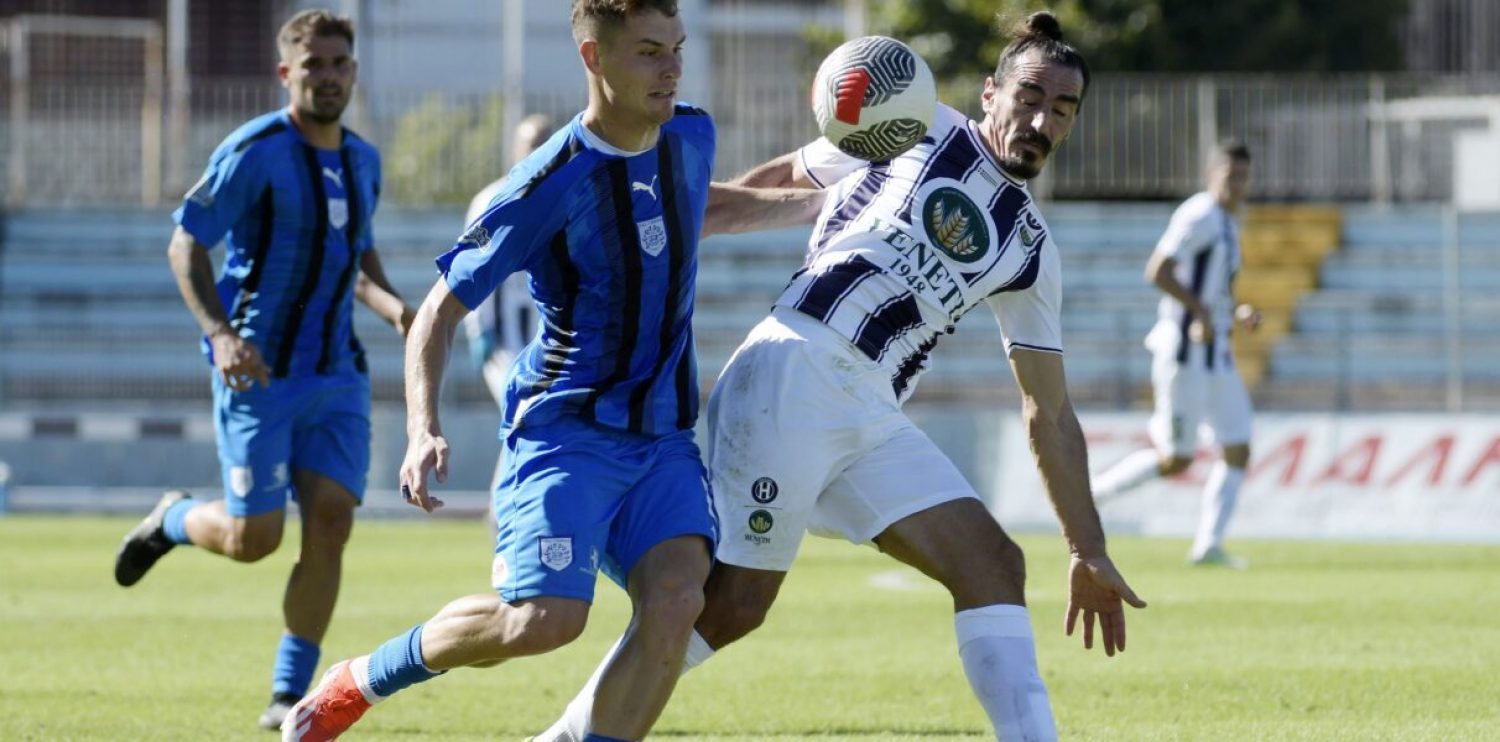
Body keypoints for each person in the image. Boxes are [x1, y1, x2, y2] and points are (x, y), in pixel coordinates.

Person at [538, 12, 1145, 742]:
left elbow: (1047, 409)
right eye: (1030, 97)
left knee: (991, 563)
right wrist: (648, 234)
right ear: (991, 93)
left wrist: (1086, 549)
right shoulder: (915, 121)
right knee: (731, 604)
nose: (1042, 121)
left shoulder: (1031, 250)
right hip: (796, 369)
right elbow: (763, 190)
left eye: (1063, 109)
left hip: (871, 414)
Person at [281, 2, 820, 740]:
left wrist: (824, 206)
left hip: (663, 439)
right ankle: (360, 680)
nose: (672, 68)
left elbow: (699, 205)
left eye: (677, 47)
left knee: (677, 602)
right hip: (566, 434)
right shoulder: (546, 183)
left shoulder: (689, 134)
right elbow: (437, 311)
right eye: (650, 52)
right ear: (594, 58)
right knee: (541, 622)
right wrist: (422, 427)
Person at [111, 8, 415, 732]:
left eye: (339, 65)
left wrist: (398, 310)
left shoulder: (364, 161)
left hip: (336, 373)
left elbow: (355, 255)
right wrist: (220, 335)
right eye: (314, 66)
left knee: (332, 522)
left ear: (354, 72)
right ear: (286, 73)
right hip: (259, 374)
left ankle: (288, 695)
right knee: (256, 541)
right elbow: (186, 245)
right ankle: (175, 517)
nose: (328, 77)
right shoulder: (254, 151)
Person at [1090, 138, 1259, 568]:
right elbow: (1158, 271)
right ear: (1211, 174)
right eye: (1230, 175)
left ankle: (1208, 545)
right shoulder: (1199, 214)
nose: (1237, 185)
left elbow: (1215, 291)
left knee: (1238, 447)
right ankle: (1092, 497)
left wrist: (1237, 312)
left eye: (1243, 177)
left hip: (1217, 355)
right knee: (1177, 459)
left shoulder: (1228, 222)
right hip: (1185, 354)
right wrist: (1199, 311)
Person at [463, 114, 555, 490]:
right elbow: (467, 269)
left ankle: (505, 506)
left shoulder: (565, 196)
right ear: (516, 148)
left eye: (545, 142)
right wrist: (479, 332)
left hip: (550, 342)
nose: (538, 151)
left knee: (534, 421)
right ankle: (505, 506)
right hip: (505, 341)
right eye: (531, 143)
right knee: (524, 415)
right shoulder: (491, 200)